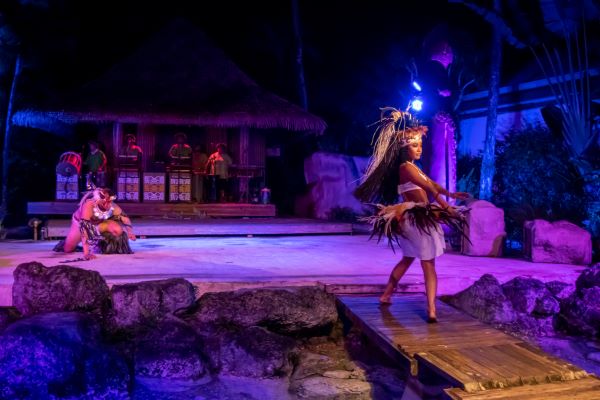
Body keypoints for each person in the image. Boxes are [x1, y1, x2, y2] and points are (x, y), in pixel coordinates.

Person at [355, 108, 469, 323]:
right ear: (404, 148)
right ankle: (431, 309)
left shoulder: (413, 168)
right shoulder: (406, 168)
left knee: (408, 259)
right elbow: (430, 189)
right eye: (415, 145)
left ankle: (386, 295)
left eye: (420, 145)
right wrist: (446, 207)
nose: (419, 149)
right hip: (418, 220)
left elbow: (433, 184)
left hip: (417, 219)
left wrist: (451, 194)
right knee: (428, 264)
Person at [54, 187, 136, 260]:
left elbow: (125, 218)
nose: (107, 204)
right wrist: (86, 253)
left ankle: (100, 246)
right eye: (105, 202)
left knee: (117, 230)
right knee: (68, 249)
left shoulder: (112, 206)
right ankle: (66, 242)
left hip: (100, 224)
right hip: (80, 225)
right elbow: (84, 228)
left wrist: (130, 232)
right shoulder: (89, 205)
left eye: (109, 202)